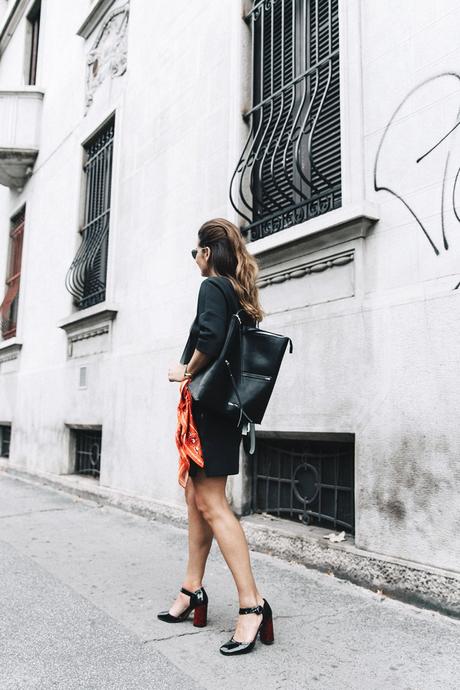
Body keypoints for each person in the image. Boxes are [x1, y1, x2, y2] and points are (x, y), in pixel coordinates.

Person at [159, 218, 274, 656]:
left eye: (196, 252)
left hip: (209, 412)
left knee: (212, 503)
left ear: (207, 252)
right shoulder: (236, 290)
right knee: (196, 497)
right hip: (222, 413)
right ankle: (192, 590)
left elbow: (207, 338)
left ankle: (252, 605)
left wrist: (184, 371)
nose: (195, 260)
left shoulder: (212, 287)